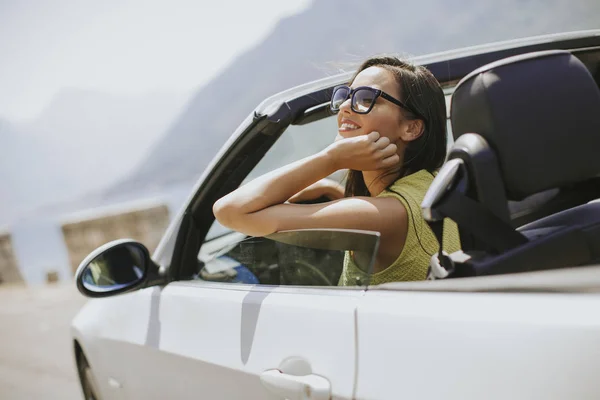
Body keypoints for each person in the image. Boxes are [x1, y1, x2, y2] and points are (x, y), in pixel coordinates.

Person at [213, 56, 460, 285]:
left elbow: (230, 211)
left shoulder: (386, 215)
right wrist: (336, 193)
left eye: (366, 98)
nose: (344, 107)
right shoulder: (435, 186)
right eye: (346, 96)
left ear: (411, 129)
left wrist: (332, 158)